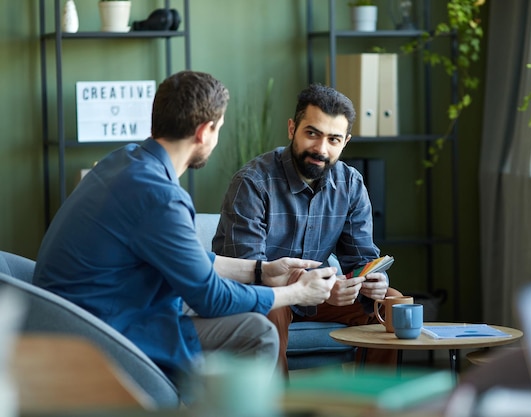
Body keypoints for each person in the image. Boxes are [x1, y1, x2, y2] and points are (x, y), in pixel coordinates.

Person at [32, 71, 337, 390]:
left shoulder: (124, 161)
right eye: (219, 128)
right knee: (258, 332)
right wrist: (296, 293)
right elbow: (210, 298)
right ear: (205, 132)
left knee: (213, 307)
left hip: (73, 317)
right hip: (106, 332)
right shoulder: (160, 196)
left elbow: (187, 259)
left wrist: (262, 270)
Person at [212, 83, 402, 373]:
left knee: (393, 304)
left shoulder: (350, 185)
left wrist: (373, 281)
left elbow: (361, 260)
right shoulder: (253, 182)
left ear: (345, 142)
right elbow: (249, 271)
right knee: (272, 307)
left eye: (333, 139)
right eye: (312, 133)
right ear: (292, 129)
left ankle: (374, 406)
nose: (321, 149)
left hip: (318, 292)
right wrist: (322, 289)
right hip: (267, 295)